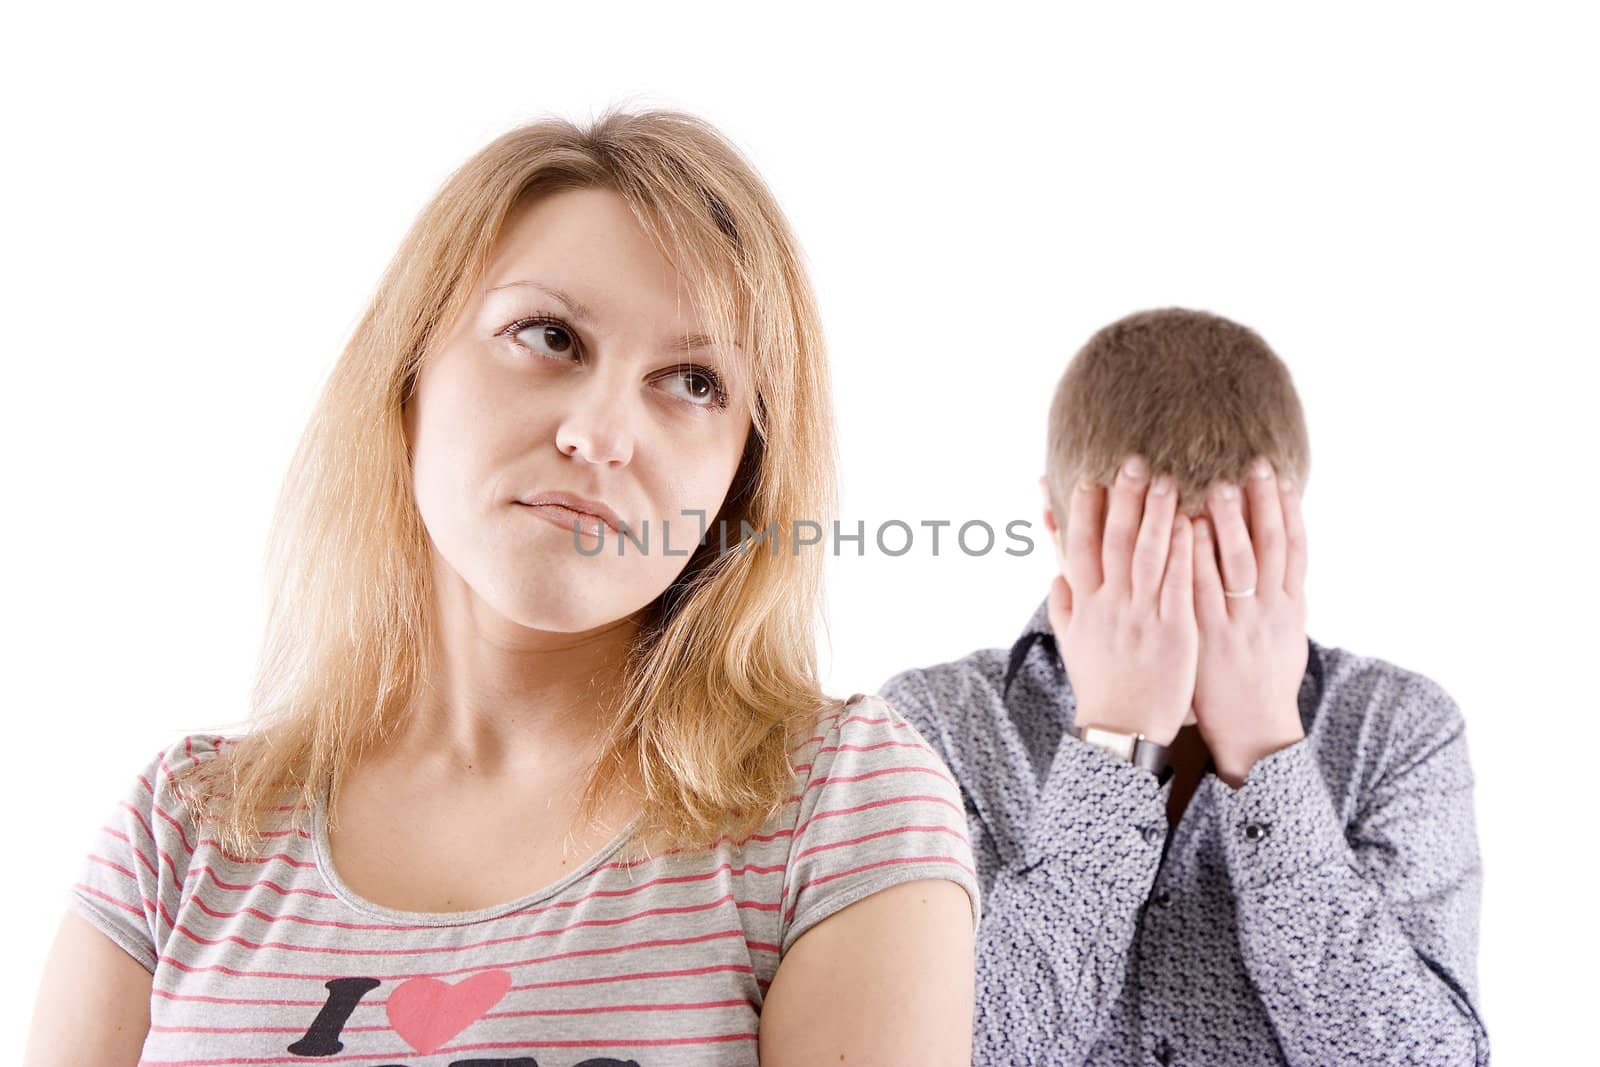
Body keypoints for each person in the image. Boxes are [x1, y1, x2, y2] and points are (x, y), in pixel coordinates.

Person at [27, 107, 979, 1067]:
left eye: (693, 382)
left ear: (744, 473)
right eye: (550, 336)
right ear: (407, 373)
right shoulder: (185, 833)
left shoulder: (839, 806)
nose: (599, 433)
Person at [879, 308, 1488, 1065]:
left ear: (1284, 538)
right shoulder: (930, 725)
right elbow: (949, 1051)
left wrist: (1269, 751)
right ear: (1055, 526)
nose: (1181, 619)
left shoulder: (1400, 726)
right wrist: (1115, 740)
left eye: (1222, 572)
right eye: (1144, 566)